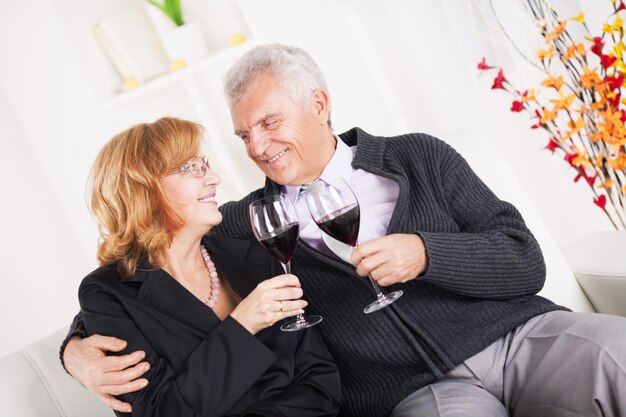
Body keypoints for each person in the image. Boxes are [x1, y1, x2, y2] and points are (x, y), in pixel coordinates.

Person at [62, 45, 626, 417]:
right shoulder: (245, 221)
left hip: (519, 339)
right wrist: (74, 352)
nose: (257, 146)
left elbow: (525, 259)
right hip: (415, 392)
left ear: (319, 104)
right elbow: (143, 269)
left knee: (618, 355)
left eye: (269, 122)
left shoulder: (420, 157)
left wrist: (428, 254)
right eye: (243, 135)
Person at [72, 116, 341, 417]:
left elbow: (320, 378)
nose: (213, 178)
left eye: (206, 165)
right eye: (192, 168)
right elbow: (163, 412)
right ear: (143, 190)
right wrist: (243, 324)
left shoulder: (252, 253)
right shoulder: (109, 293)